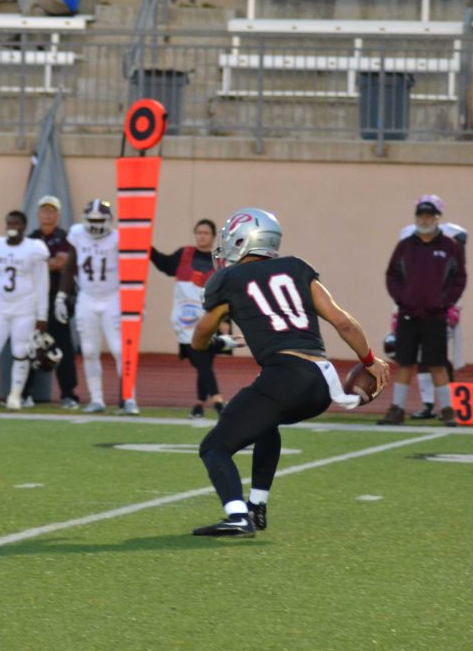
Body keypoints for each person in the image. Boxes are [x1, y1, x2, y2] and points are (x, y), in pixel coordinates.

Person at [190, 208, 390, 537]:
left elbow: (198, 339)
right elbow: (341, 321)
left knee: (214, 447)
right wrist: (370, 359)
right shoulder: (297, 268)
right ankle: (257, 505)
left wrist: (214, 342)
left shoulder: (229, 280)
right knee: (267, 424)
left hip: (284, 376)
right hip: (320, 382)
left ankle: (238, 516)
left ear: (244, 240)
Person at [380, 195, 466, 427]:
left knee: (437, 364)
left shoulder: (450, 247)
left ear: (437, 218)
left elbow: (459, 278)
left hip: (435, 316)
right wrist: (402, 298)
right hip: (408, 314)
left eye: (429, 216)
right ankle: (396, 410)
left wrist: (445, 302)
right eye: (421, 215)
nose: (425, 220)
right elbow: (392, 275)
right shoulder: (406, 246)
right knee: (405, 363)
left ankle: (448, 411)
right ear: (416, 217)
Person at [150, 219, 237, 418]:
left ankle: (208, 404)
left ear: (214, 236)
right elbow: (163, 264)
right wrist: (147, 248)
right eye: (199, 232)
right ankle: (212, 403)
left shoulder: (221, 261)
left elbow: (227, 293)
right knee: (201, 361)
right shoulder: (183, 255)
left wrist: (225, 320)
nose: (202, 236)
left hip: (210, 320)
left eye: (206, 233)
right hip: (184, 323)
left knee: (203, 361)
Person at [0, 210, 49, 410]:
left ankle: (15, 395)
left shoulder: (34, 248)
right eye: (10, 223)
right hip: (0, 307)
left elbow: (42, 283)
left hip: (25, 308)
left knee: (20, 351)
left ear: (24, 226)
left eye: (17, 224)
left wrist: (42, 314)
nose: (13, 227)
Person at [58, 199, 127, 413]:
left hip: (113, 297)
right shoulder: (78, 234)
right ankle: (97, 399)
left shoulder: (118, 238)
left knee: (119, 349)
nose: (95, 224)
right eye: (92, 220)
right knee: (88, 350)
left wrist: (136, 302)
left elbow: (131, 271)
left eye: (100, 220)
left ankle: (127, 398)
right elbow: (70, 266)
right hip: (86, 298)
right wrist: (61, 296)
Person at [30, 195, 79, 408]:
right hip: (34, 299)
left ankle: (68, 393)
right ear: (39, 214)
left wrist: (45, 263)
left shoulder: (66, 238)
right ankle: (24, 392)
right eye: (44, 210)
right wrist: (49, 263)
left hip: (58, 298)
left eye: (51, 211)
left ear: (58, 215)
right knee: (32, 346)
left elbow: (63, 262)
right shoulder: (31, 238)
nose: (47, 214)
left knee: (63, 347)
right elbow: (32, 265)